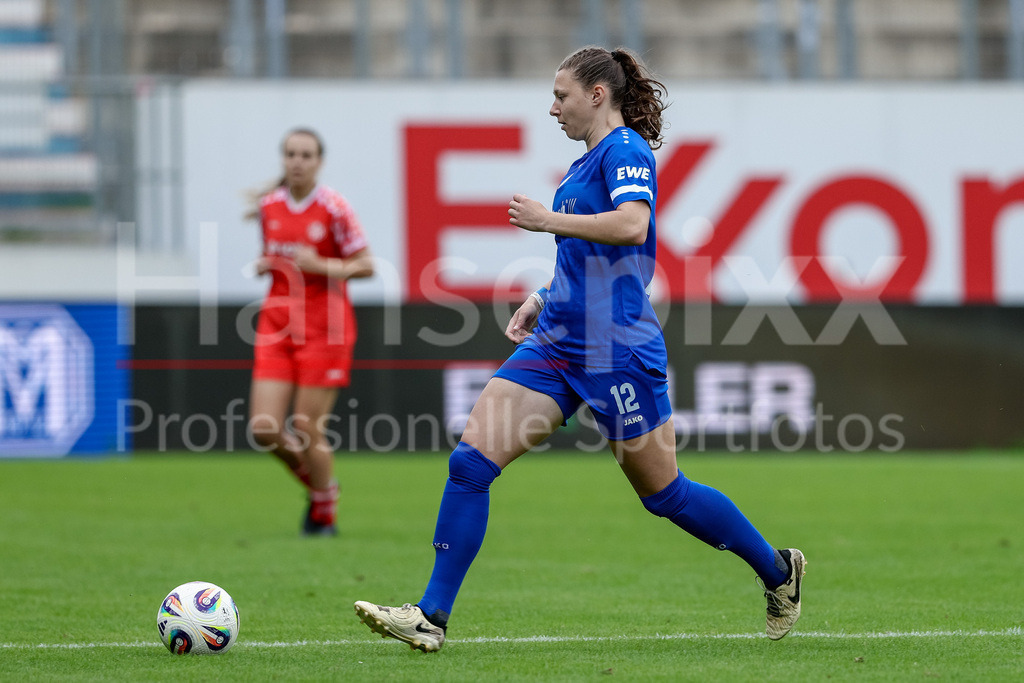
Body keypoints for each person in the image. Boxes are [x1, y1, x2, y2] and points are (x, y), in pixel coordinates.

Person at [354, 46, 804, 650]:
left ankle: (778, 571)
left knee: (665, 495)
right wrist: (543, 294)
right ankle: (430, 616)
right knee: (470, 463)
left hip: (616, 351)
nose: (553, 107)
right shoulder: (583, 163)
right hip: (559, 342)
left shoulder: (625, 150)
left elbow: (631, 226)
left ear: (597, 94)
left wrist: (546, 222)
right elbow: (591, 256)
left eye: (561, 95)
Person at [246, 128, 374, 536]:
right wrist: (269, 265)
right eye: (291, 154)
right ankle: (323, 490)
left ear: (319, 162)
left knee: (306, 427)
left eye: (306, 155)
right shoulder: (270, 207)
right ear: (282, 159)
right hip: (277, 325)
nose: (297, 161)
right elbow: (279, 257)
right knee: (264, 428)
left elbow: (366, 265)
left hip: (326, 328)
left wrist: (321, 265)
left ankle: (323, 512)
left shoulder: (334, 208)